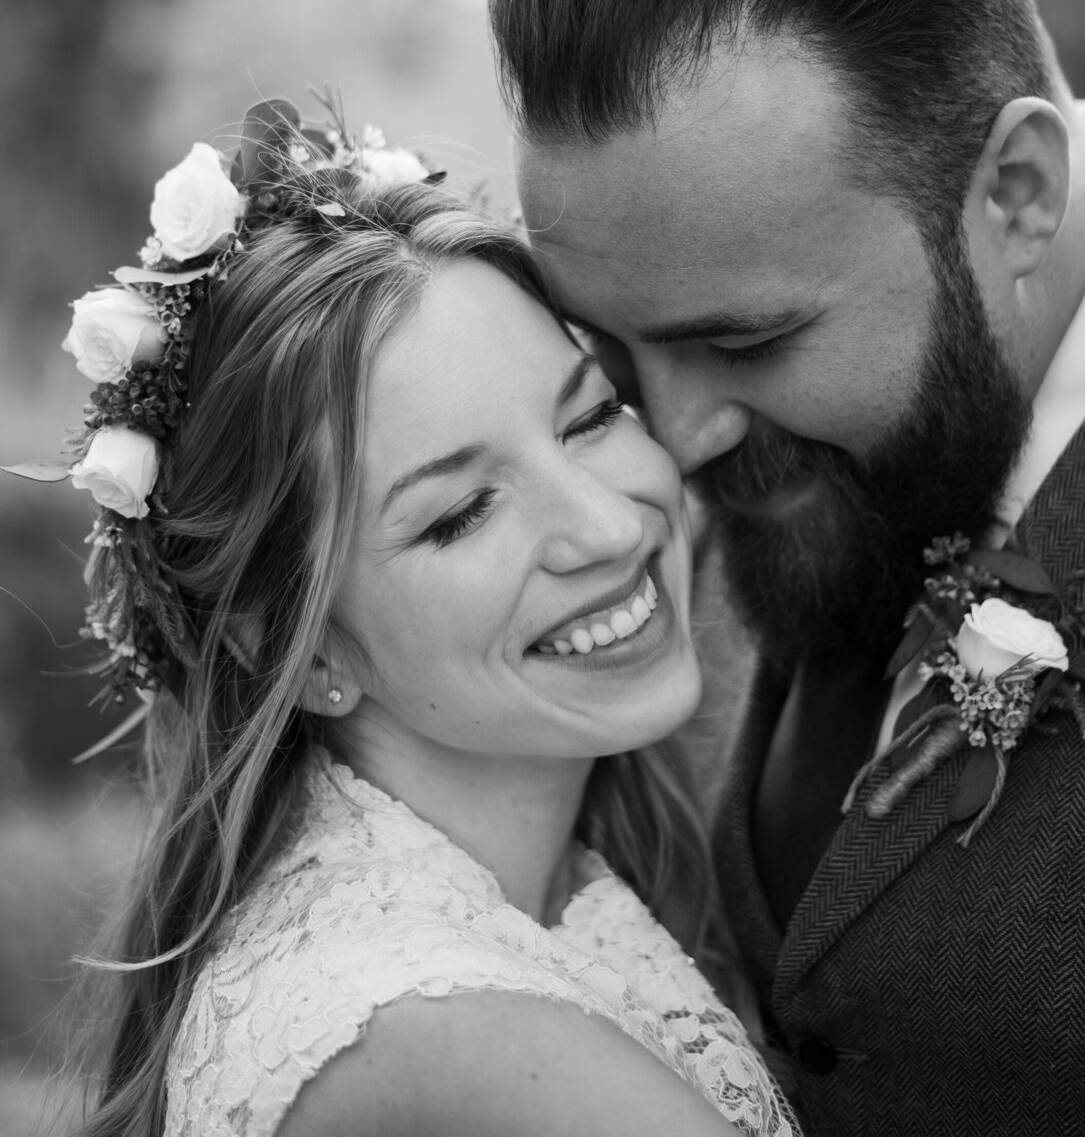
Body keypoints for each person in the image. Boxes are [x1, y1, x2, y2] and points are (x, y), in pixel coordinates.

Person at [488, 0, 1085, 1137]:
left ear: (1016, 192)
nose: (673, 441)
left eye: (747, 344)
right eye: (615, 356)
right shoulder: (643, 511)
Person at [17, 98, 796, 1137]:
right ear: (296, 646)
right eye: (462, 511)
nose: (608, 526)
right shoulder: (448, 1031)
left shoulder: (484, 908)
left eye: (591, 414)